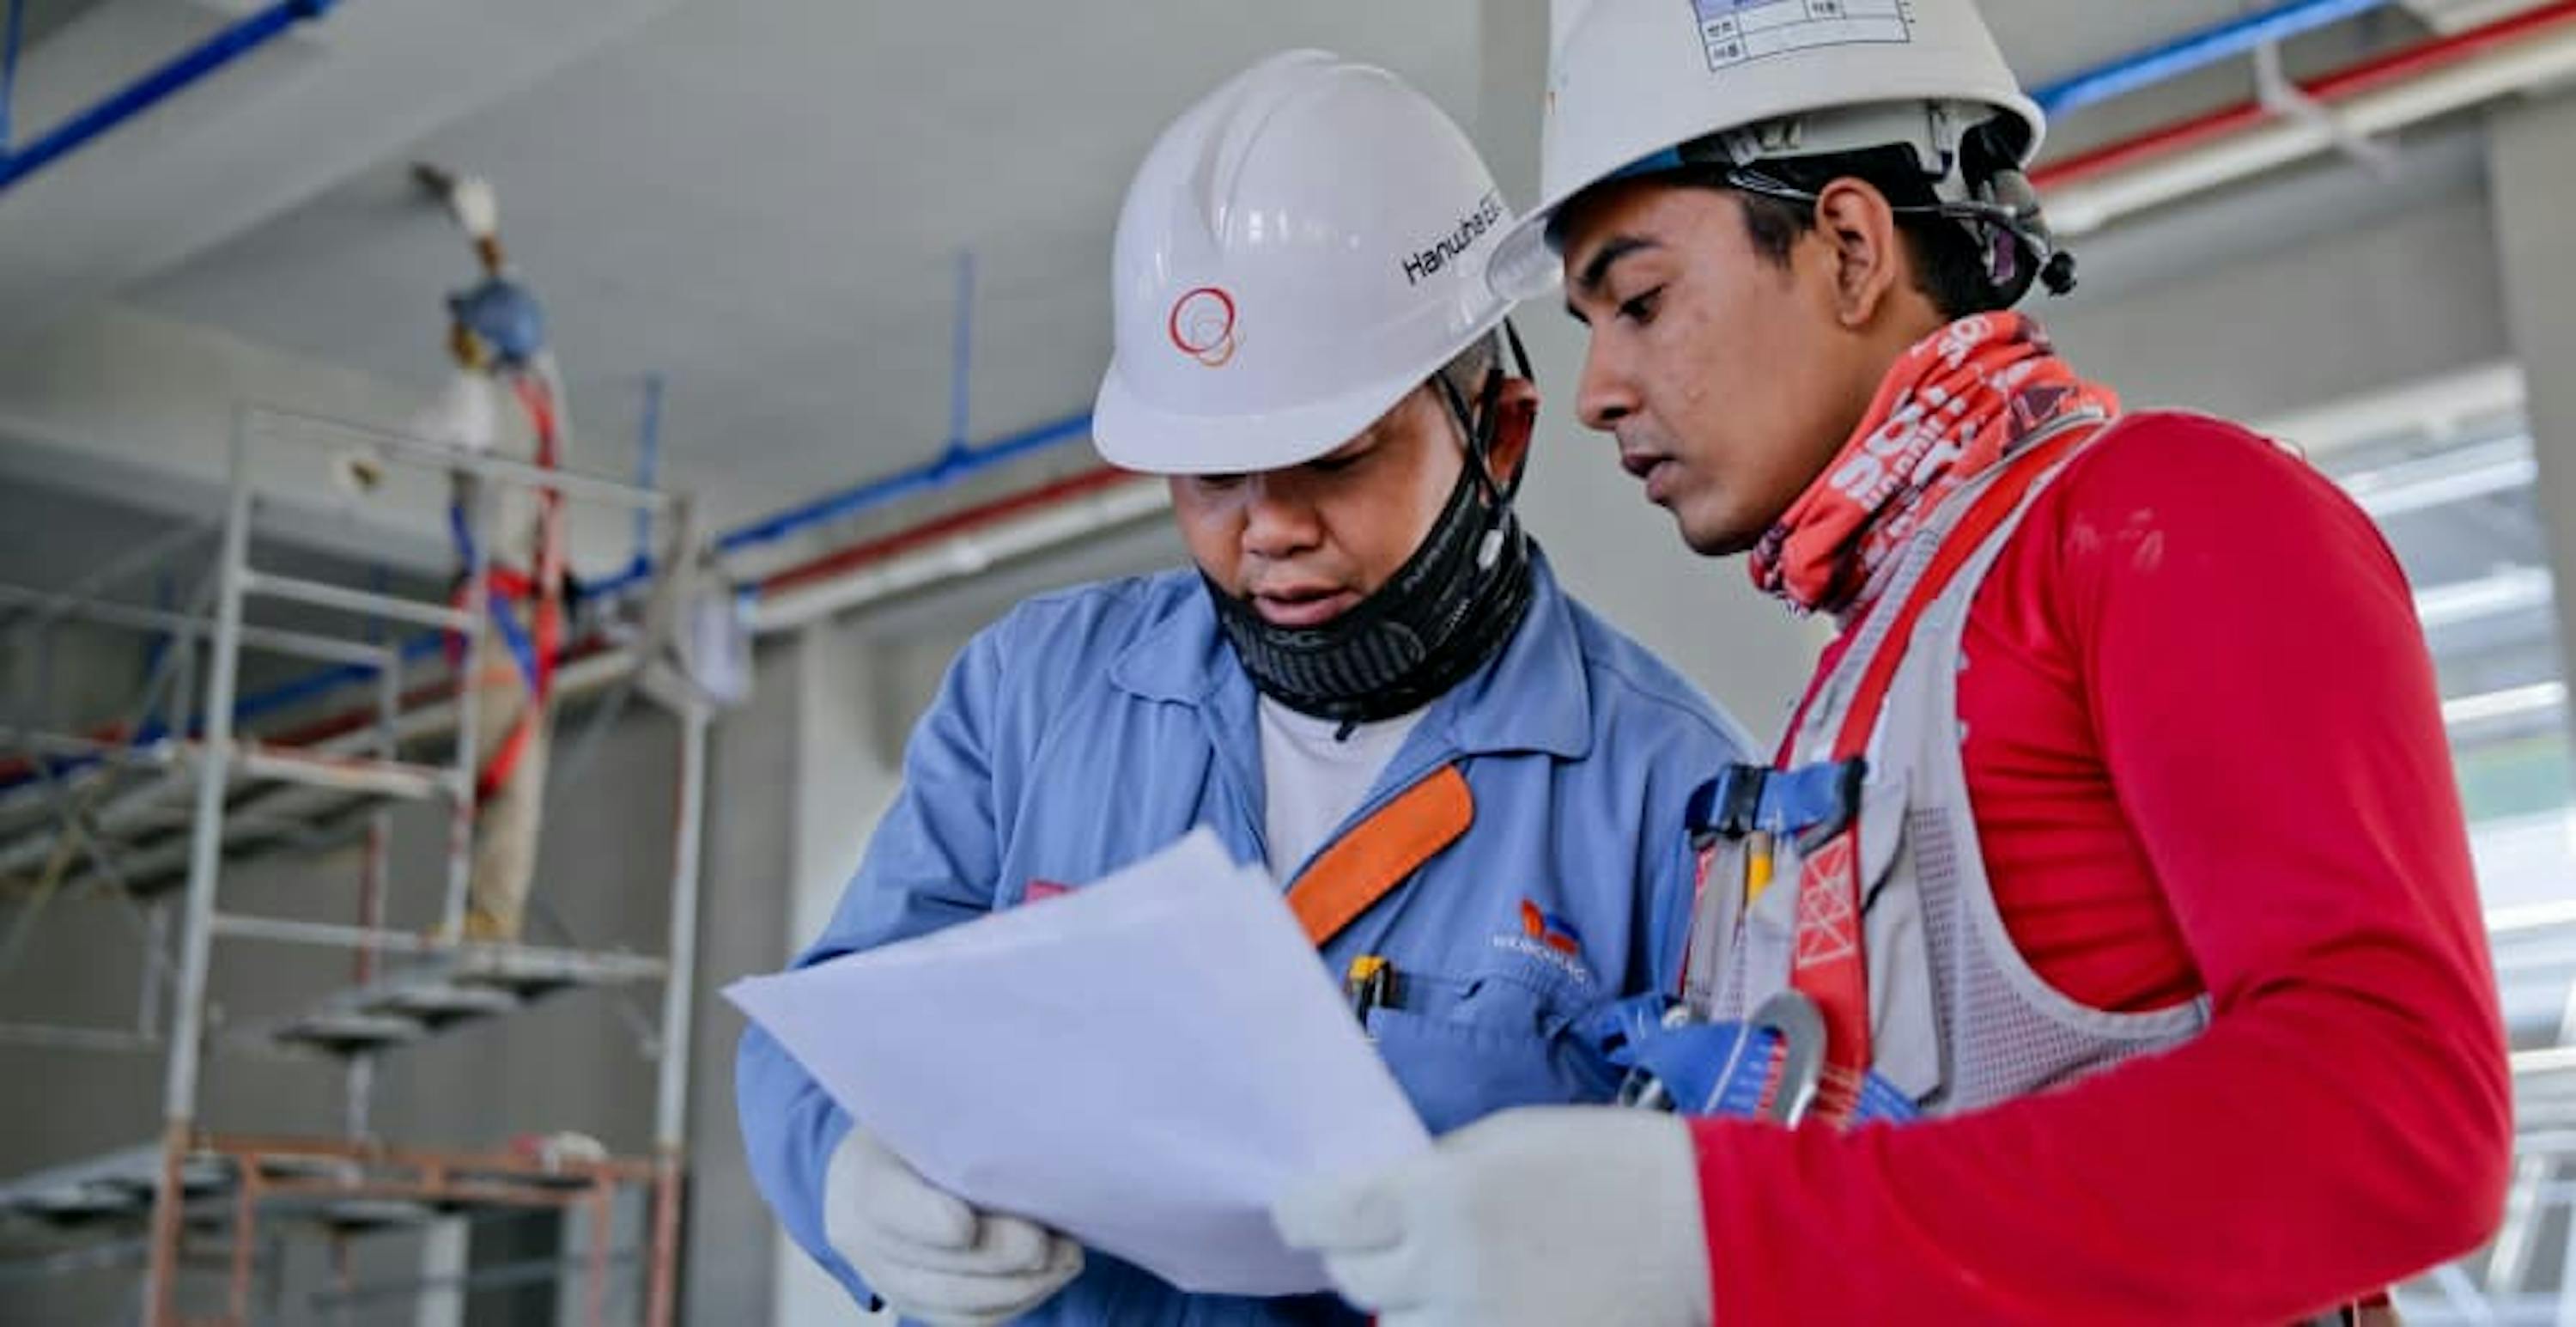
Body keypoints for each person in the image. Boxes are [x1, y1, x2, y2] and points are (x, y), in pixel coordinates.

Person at [1273, 3, 2514, 1324]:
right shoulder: (1870, 674)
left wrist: (1720, 1229)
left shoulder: (2165, 518)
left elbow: (2400, 1114)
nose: (1599, 391)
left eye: (1638, 301)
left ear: (1852, 247)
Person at [737, 49, 1752, 1325]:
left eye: (1330, 461)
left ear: (1498, 431)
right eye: (1210, 474)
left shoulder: (1676, 797)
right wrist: (842, 1164)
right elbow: (827, 1022)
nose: (1265, 529)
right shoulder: (1031, 699)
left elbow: (1746, 1210)